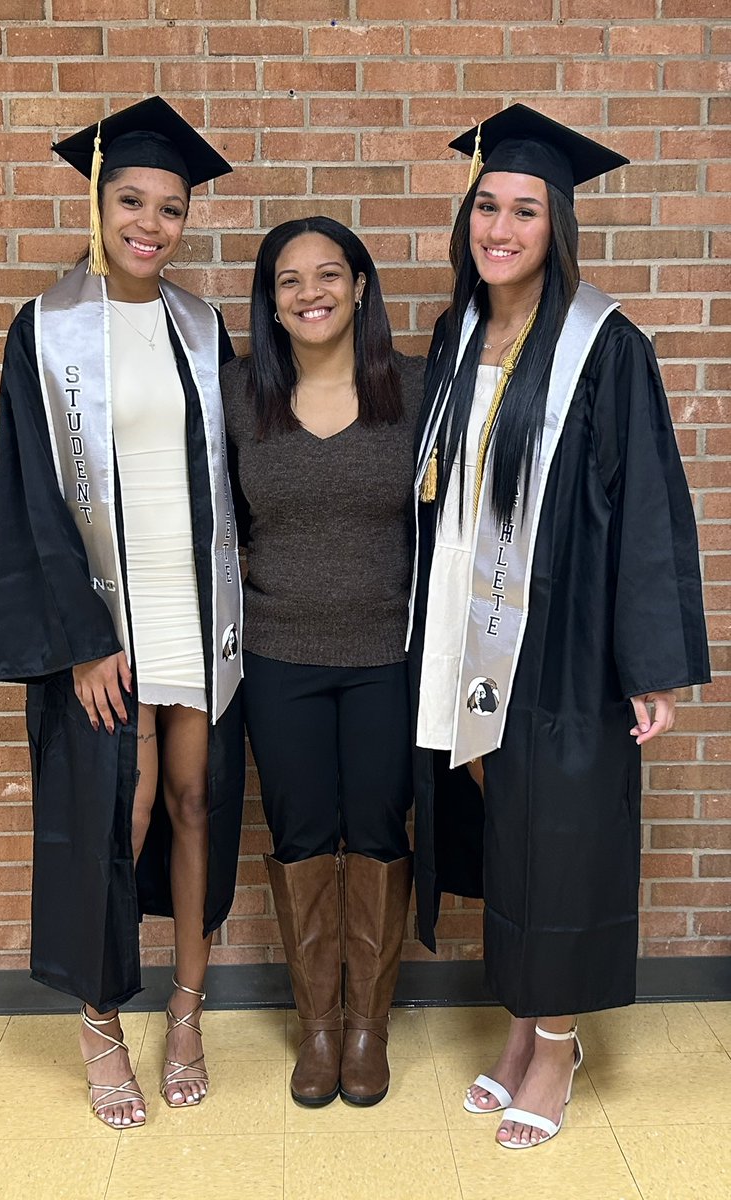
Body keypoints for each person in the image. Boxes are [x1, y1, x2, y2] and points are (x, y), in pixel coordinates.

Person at [408, 105, 710, 1148]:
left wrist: (650, 662)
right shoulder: (458, 332)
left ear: (556, 224)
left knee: (562, 830)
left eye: (523, 210)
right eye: (487, 205)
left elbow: (646, 504)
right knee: (506, 824)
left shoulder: (605, 345)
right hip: (466, 621)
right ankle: (523, 1020)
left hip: (563, 627)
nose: (499, 226)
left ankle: (555, 1044)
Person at [0, 97, 245, 1128]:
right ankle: (100, 1027)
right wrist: (86, 642)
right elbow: (31, 497)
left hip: (194, 601)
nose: (151, 222)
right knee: (117, 812)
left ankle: (185, 1011)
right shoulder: (43, 329)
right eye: (131, 200)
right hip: (105, 613)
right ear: (98, 202)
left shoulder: (203, 323)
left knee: (192, 803)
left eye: (170, 208)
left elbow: (227, 472)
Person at [221, 217, 424, 1107]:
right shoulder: (237, 397)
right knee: (301, 832)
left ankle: (369, 1026)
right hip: (278, 653)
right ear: (270, 303)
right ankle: (317, 1026)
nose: (311, 292)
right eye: (289, 280)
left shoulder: (417, 392)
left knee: (378, 832)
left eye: (329, 274)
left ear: (362, 287)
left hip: (388, 652)